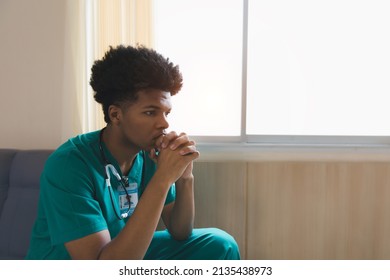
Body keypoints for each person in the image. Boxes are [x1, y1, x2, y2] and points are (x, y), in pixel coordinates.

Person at [26, 45, 240, 260]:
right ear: (116, 115)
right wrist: (163, 178)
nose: (164, 123)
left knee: (220, 244)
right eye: (150, 112)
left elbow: (180, 231)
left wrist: (184, 177)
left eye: (166, 113)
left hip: (124, 254)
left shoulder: (150, 154)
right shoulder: (69, 165)